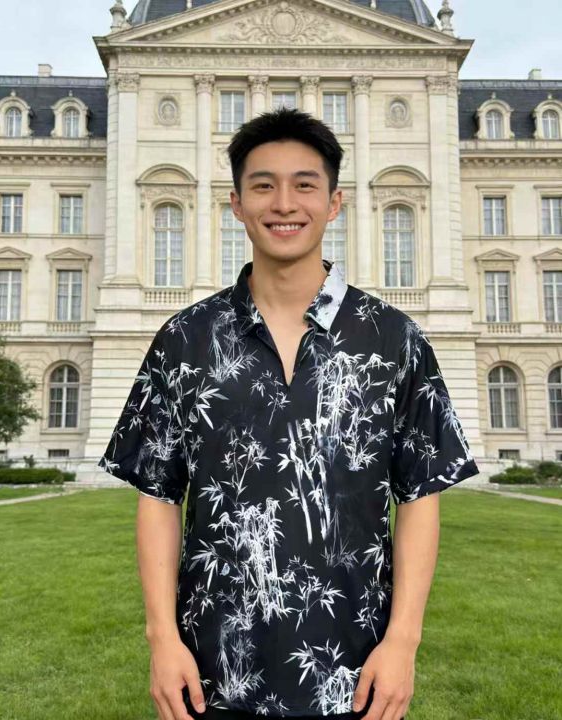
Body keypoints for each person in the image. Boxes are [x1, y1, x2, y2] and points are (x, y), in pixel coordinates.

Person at [100, 107, 479, 720]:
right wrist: (162, 639)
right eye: (263, 185)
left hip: (356, 677)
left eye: (304, 185)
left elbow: (418, 497)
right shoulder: (184, 339)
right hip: (211, 674)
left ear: (334, 203)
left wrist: (403, 643)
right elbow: (158, 497)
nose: (283, 204)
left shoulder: (395, 339)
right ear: (236, 204)